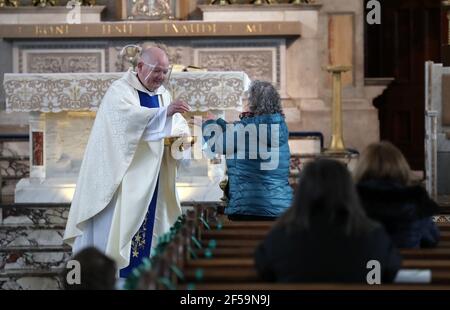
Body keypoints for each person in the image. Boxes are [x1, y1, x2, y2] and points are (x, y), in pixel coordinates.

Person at [63, 46, 191, 279]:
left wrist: (182, 138)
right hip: (123, 178)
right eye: (157, 71)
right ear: (140, 67)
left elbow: (176, 123)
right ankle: (114, 276)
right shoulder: (119, 91)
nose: (161, 77)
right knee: (120, 230)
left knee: (150, 233)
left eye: (165, 72)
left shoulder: (163, 94)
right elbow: (127, 122)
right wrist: (164, 114)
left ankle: (149, 275)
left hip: (154, 177)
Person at [254, 159, 401, 283]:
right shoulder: (374, 235)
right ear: (349, 190)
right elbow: (389, 271)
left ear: (302, 191)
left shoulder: (280, 236)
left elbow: (265, 271)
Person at [202, 80, 293, 220]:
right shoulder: (279, 127)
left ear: (253, 103)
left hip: (246, 207)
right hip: (281, 208)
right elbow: (240, 138)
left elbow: (218, 145)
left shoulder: (245, 128)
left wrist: (208, 124)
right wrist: (219, 122)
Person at [354, 141, 440, 248]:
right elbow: (432, 238)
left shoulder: (349, 197)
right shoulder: (415, 198)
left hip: (361, 262)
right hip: (406, 263)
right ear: (401, 166)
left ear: (362, 166)